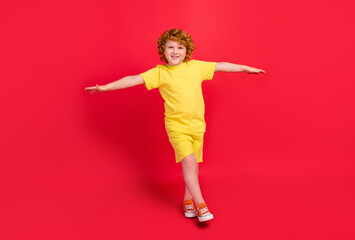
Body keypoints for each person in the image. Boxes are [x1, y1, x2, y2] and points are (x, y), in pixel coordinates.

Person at [85, 29, 265, 222]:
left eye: (180, 47)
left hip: (197, 126)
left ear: (186, 51)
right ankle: (201, 205)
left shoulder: (195, 67)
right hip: (176, 127)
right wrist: (106, 87)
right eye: (171, 47)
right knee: (189, 162)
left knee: (193, 165)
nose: (175, 51)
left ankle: (188, 201)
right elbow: (133, 79)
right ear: (163, 50)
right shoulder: (160, 73)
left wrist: (245, 68)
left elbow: (221, 65)